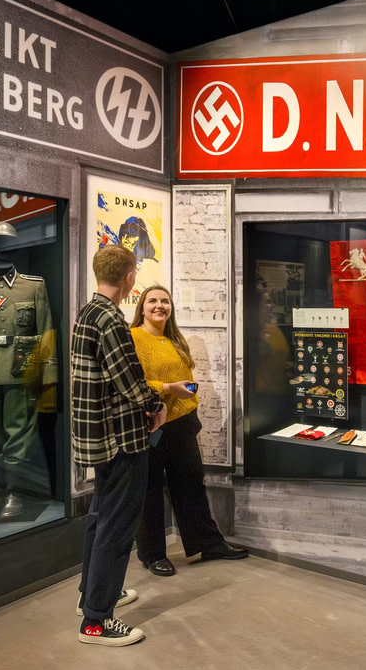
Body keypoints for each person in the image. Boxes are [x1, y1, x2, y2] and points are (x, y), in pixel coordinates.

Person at [71, 245, 166, 647]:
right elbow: (128, 380)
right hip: (121, 438)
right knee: (117, 526)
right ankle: (96, 620)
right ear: (129, 278)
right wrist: (156, 405)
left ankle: (91, 594)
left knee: (100, 517)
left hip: (97, 437)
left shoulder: (88, 312)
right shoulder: (111, 319)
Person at [130, 284, 248, 575]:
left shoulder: (174, 338)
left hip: (183, 423)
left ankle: (208, 544)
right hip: (152, 424)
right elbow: (133, 384)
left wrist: (187, 397)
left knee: (192, 485)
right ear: (141, 307)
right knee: (150, 491)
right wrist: (169, 388)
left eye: (165, 301)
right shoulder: (133, 338)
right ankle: (152, 554)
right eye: (152, 300)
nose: (160, 305)